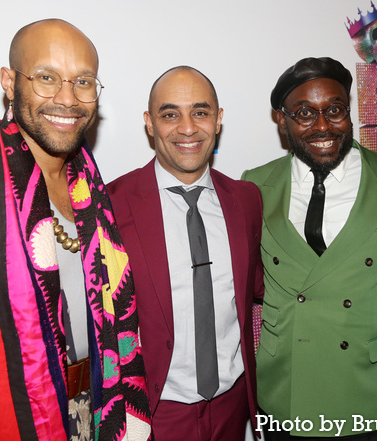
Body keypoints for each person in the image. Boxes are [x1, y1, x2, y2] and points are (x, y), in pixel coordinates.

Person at [0, 19, 151, 440]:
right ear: (8, 81)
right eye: (46, 77)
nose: (67, 98)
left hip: (92, 412)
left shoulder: (87, 182)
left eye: (84, 82)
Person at [242, 57, 377, 440]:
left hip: (367, 392)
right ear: (281, 120)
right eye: (304, 113)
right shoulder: (253, 187)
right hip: (286, 391)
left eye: (334, 110)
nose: (322, 125)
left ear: (349, 112)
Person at [107, 66, 263, 441]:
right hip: (152, 412)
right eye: (170, 114)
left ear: (218, 119)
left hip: (233, 406)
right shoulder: (111, 204)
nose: (188, 128)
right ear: (149, 123)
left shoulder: (246, 199)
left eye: (201, 112)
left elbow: (259, 291)